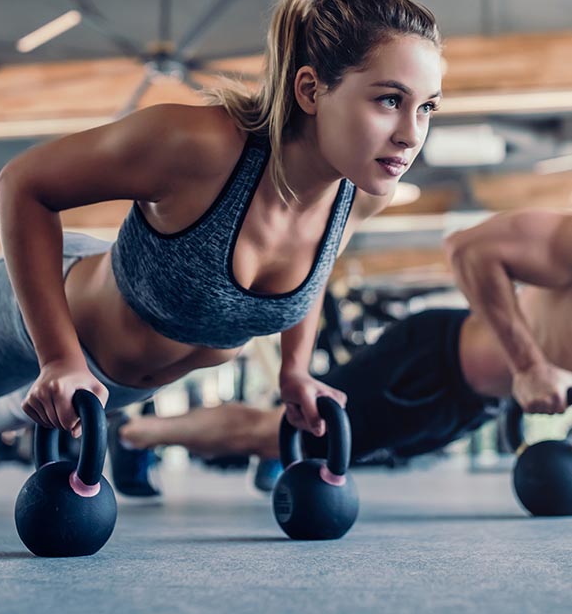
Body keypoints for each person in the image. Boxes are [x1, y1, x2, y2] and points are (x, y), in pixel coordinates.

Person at [0, 0, 444, 513]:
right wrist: (58, 358)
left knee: (12, 407)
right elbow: (24, 184)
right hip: (36, 317)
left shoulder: (363, 193)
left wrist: (294, 371)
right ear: (311, 91)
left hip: (116, 384)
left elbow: (312, 276)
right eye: (389, 100)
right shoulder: (197, 145)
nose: (411, 134)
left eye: (428, 108)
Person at [108, 208, 572, 492]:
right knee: (275, 432)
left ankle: (278, 458)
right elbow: (470, 249)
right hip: (428, 362)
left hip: (470, 405)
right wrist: (528, 364)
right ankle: (134, 432)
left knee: (302, 444)